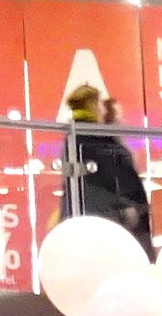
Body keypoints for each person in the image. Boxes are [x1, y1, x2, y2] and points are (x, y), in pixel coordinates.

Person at [60, 84, 151, 242]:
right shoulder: (99, 142)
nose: (104, 110)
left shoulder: (73, 138)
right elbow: (112, 183)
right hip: (108, 225)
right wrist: (129, 211)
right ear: (93, 105)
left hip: (85, 222)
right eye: (101, 105)